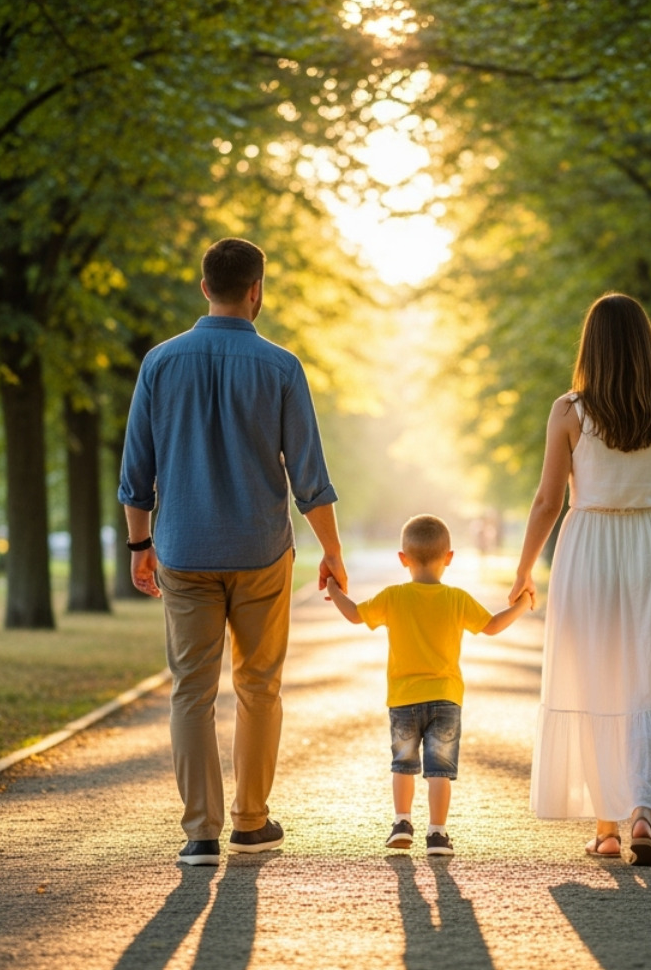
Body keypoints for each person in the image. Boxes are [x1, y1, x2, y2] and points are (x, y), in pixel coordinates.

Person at [118, 237, 348, 867]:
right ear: (256, 290)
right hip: (261, 552)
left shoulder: (159, 364)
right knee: (259, 687)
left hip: (183, 549)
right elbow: (310, 478)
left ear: (203, 288)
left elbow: (136, 472)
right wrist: (332, 552)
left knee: (191, 690)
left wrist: (141, 544)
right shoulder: (281, 366)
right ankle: (250, 821)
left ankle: (200, 834)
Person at [509, 293, 651, 866]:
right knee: (647, 680)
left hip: (588, 547)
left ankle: (606, 829)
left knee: (596, 679)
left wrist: (523, 569)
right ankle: (642, 811)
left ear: (590, 346)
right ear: (647, 347)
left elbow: (549, 500)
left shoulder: (569, 411)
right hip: (648, 544)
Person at [324, 514, 533, 856]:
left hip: (404, 699)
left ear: (402, 559)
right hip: (447, 699)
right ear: (448, 557)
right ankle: (437, 834)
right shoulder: (456, 598)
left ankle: (402, 823)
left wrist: (333, 587)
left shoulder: (393, 596)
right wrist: (523, 603)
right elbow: (492, 626)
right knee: (440, 771)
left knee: (403, 765)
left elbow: (354, 614)